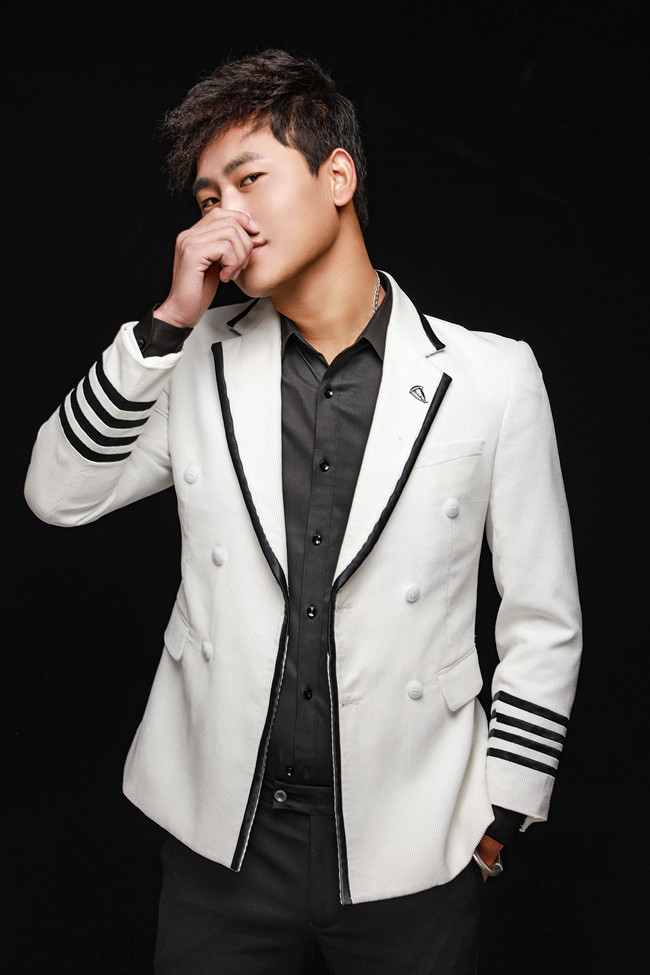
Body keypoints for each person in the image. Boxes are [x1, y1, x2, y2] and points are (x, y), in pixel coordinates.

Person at [24, 48, 582, 975]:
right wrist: (165, 324)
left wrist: (502, 815)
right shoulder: (193, 360)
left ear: (338, 176)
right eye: (208, 197)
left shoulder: (492, 377)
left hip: (417, 839)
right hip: (222, 835)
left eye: (250, 179)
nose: (226, 217)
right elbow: (56, 492)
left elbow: (543, 617)